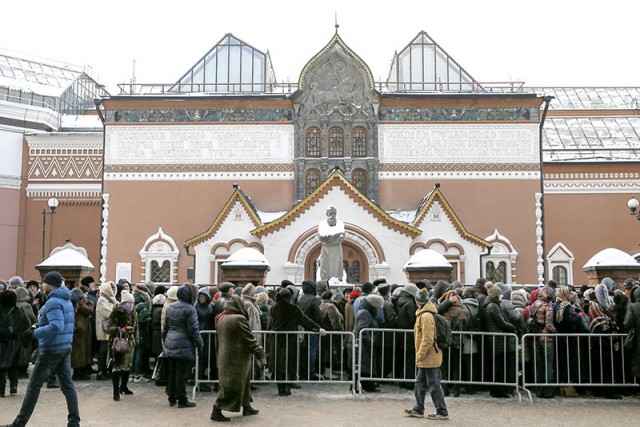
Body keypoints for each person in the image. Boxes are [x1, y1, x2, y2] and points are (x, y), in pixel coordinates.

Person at [3, 271, 81, 427]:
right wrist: (37, 326)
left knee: (33, 387)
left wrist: (33, 334)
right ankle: (74, 422)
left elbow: (56, 327)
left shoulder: (53, 302)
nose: (42, 285)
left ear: (51, 284)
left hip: (51, 349)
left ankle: (19, 423)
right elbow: (56, 323)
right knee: (67, 385)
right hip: (64, 347)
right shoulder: (65, 300)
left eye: (44, 282)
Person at [211, 295, 266, 422]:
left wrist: (217, 354)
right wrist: (259, 352)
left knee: (243, 382)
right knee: (233, 384)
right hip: (236, 357)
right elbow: (249, 338)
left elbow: (217, 340)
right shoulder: (238, 319)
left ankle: (246, 406)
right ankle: (217, 408)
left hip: (226, 355)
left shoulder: (221, 318)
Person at [267, 288, 323, 396]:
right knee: (289, 364)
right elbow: (304, 320)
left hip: (276, 339)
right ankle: (287, 387)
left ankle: (280, 388)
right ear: (290, 297)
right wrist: (317, 328)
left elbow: (271, 324)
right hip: (290, 340)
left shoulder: (274, 308)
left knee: (278, 365)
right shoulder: (293, 309)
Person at [404, 288, 448, 420]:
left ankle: (442, 411)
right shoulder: (424, 314)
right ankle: (418, 408)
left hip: (429, 355)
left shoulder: (425, 316)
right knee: (420, 383)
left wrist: (420, 354)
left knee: (433, 384)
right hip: (428, 356)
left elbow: (427, 339)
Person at [162, 284, 203, 408]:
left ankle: (171, 397)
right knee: (181, 374)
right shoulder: (190, 309)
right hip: (184, 343)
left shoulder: (171, 307)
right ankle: (182, 399)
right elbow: (194, 330)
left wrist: (165, 341)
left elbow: (166, 327)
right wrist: (200, 344)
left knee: (172, 372)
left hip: (170, 341)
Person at [107, 291, 138, 401]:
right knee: (117, 366)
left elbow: (136, 327)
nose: (132, 305)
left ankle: (123, 387)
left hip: (129, 342)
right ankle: (116, 391)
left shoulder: (134, 312)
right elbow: (109, 328)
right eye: (130, 302)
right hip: (117, 342)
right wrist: (121, 330)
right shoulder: (117, 312)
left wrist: (135, 338)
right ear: (125, 302)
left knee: (127, 365)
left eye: (133, 302)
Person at [0, 290, 30, 398]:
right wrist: (15, 331)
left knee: (1, 368)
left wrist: (5, 331)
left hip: (2, 343)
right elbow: (26, 325)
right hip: (15, 343)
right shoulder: (19, 311)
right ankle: (13, 387)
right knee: (14, 366)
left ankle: (1, 390)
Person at [70, 287, 94, 381]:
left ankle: (81, 372)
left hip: (83, 330)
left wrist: (82, 303)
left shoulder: (85, 303)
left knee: (83, 352)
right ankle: (77, 373)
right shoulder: (74, 304)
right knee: (78, 353)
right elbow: (89, 311)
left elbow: (89, 311)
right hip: (78, 330)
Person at [95, 281, 117, 380]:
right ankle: (101, 371)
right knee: (103, 351)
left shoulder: (111, 299)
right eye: (111, 288)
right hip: (104, 328)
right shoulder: (102, 300)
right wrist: (116, 310)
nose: (113, 290)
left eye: (113, 288)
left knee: (108, 350)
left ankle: (106, 370)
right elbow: (107, 313)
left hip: (109, 328)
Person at [318, 205, 345, 282]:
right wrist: (334, 236)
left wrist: (328, 240)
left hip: (336, 250)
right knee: (325, 266)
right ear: (327, 213)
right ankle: (325, 281)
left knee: (336, 267)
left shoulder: (340, 223)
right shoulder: (322, 223)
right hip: (325, 250)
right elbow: (321, 237)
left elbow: (341, 237)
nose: (332, 215)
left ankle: (336, 280)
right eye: (330, 213)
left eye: (334, 213)